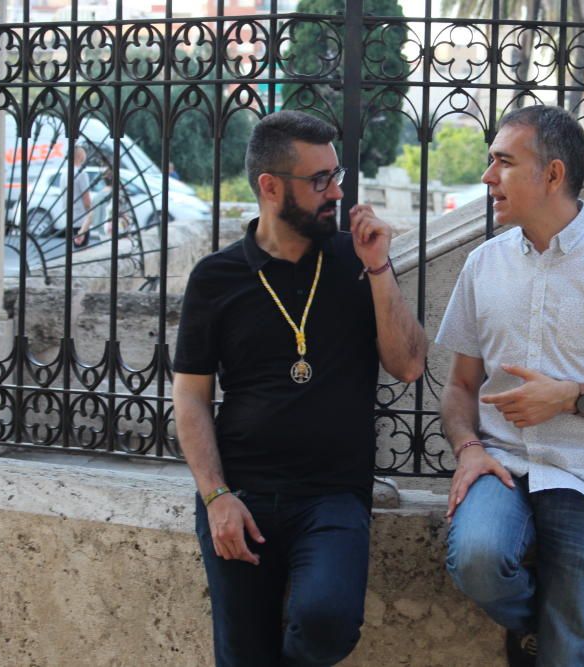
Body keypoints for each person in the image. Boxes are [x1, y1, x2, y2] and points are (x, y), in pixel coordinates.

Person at [172, 110, 427, 667]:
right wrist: (217, 496)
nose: (337, 191)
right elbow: (190, 398)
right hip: (242, 492)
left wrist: (380, 269)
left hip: (333, 495)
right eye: (320, 181)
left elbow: (408, 365)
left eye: (336, 175)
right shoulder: (215, 279)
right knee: (242, 654)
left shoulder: (355, 261)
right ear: (269, 186)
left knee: (328, 622)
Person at [436, 105, 584, 666]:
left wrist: (570, 396)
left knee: (571, 653)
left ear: (552, 175)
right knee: (476, 561)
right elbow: (459, 387)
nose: (486, 177)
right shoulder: (482, 265)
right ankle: (542, 626)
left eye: (503, 162)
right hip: (500, 463)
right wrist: (468, 449)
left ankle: (552, 636)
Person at [70, 146, 93, 248]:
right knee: (82, 250)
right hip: (81, 219)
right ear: (80, 156)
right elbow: (86, 200)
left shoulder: (64, 173)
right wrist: (90, 214)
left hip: (69, 217)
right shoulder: (81, 174)